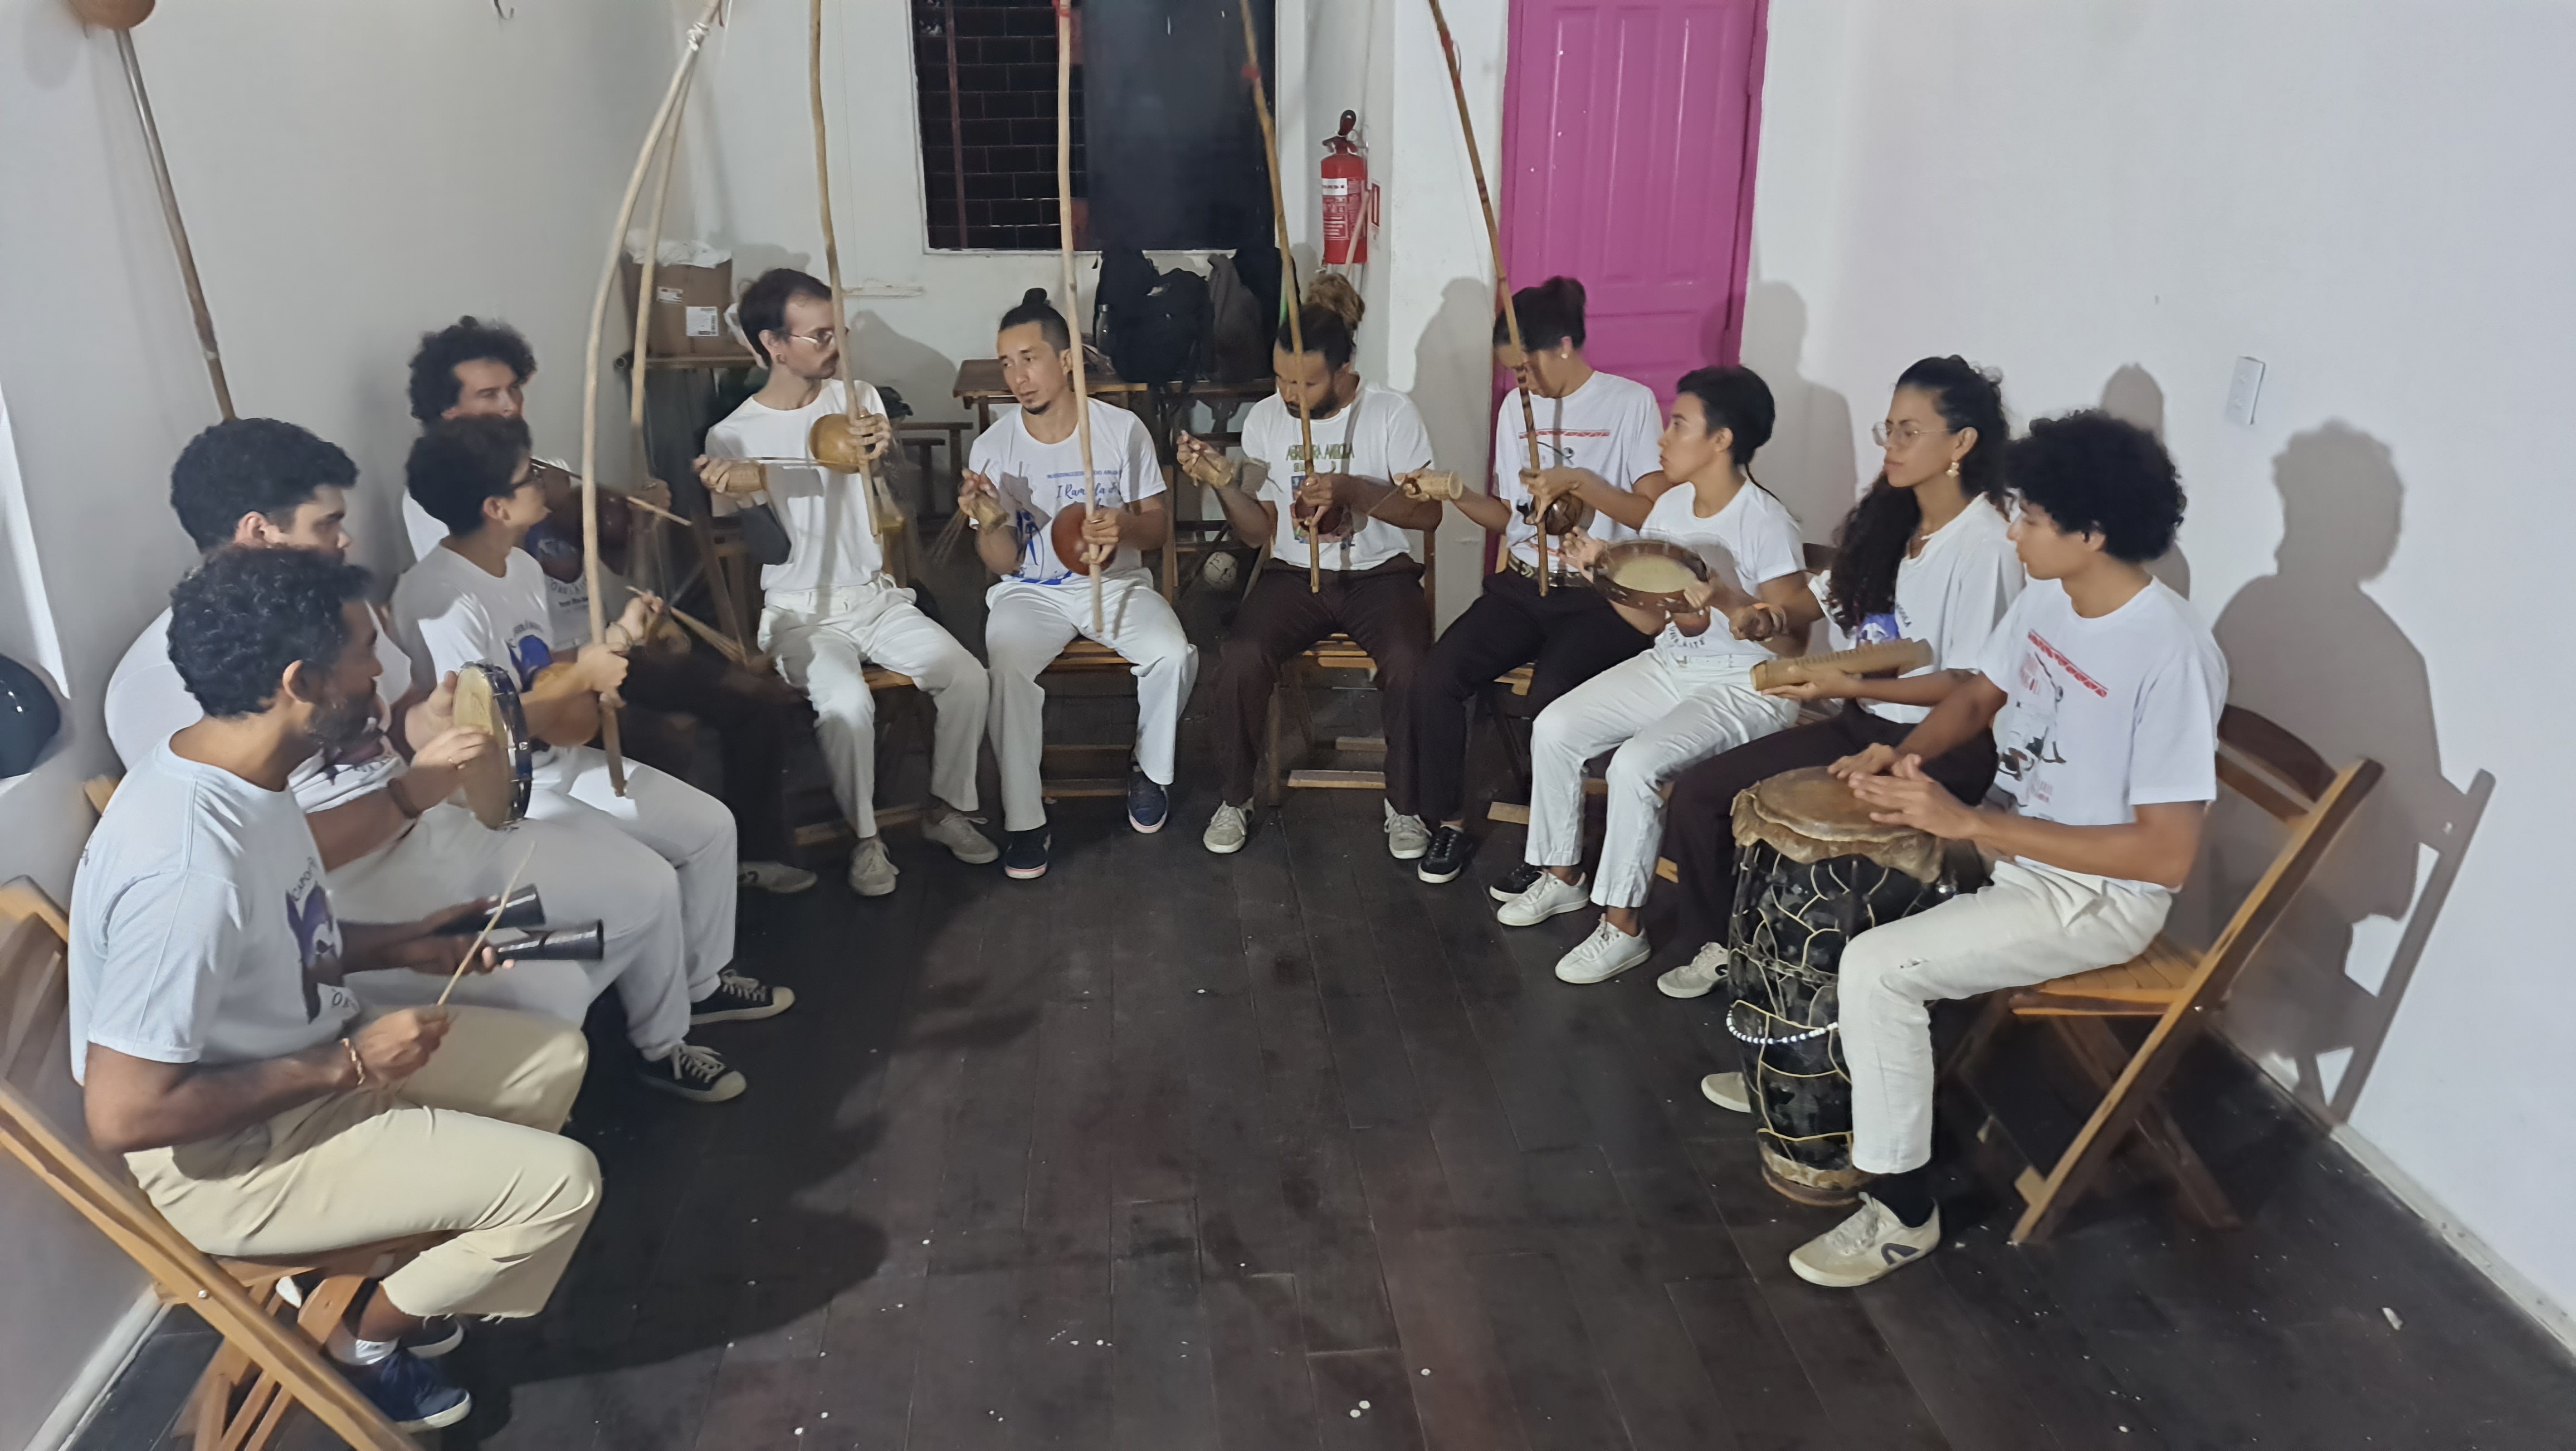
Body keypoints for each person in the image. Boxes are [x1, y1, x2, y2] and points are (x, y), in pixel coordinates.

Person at [73, 546, 602, 1431]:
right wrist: (348, 1065)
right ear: (301, 681)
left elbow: (279, 935)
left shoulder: (241, 770)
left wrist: (405, 941)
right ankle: (361, 1340)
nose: (379, 673)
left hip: (307, 1069)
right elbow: (123, 1115)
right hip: (231, 1160)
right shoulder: (186, 870)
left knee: (552, 1060)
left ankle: (394, 1268)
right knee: (564, 1187)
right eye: (362, 653)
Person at [105, 419, 774, 1105]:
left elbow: (398, 717)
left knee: (646, 886)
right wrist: (409, 795)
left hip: (426, 824)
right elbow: (261, 862)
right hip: (341, 890)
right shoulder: (169, 676)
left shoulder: (338, 602)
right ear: (258, 531)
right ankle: (525, 1110)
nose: (346, 540)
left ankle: (658, 1048)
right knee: (554, 986)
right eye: (328, 523)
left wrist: (433, 720)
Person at [1785, 411, 2224, 1288]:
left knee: (1877, 967)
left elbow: (2165, 857)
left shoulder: (2171, 654)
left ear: (2092, 534)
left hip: (2093, 897)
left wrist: (1971, 825)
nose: (2014, 532)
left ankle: (1902, 1212)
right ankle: (1804, 1075)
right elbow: (1980, 697)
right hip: (2010, 844)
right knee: (1835, 873)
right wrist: (1903, 758)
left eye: (2032, 517)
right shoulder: (2050, 596)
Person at [392, 414, 777, 1104]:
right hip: (504, 790)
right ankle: (663, 1046)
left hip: (556, 758)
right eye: (529, 478)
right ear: (495, 507)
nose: (546, 485)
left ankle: (702, 985)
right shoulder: (441, 598)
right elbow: (483, 722)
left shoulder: (519, 563)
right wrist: (587, 677)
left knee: (710, 828)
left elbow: (541, 666)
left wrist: (615, 640)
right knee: (652, 881)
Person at [1653, 358, 2023, 1057]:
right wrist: (1754, 613)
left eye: (1909, 431)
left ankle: (1822, 1012)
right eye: (1889, 428)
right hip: (1860, 721)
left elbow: (1964, 687)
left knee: (1829, 857)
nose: (1892, 445)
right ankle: (1725, 947)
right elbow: (1815, 600)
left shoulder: (1984, 543)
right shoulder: (1890, 516)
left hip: (1939, 748)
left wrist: (1840, 684)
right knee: (1700, 795)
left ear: (1961, 443)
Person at [404, 317, 815, 894]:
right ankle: (660, 878)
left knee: (752, 696)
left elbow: (614, 560)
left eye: (514, 389)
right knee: (661, 737)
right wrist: (570, 511)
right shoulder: (445, 497)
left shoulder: (536, 471)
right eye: (489, 395)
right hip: (543, 685)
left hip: (586, 647)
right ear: (448, 412)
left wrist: (630, 515)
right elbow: (495, 651)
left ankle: (754, 855)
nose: (510, 405)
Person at [1493, 366, 1809, 986]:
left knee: (1634, 764)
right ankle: (1561, 875)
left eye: (1679, 425)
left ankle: (1622, 927)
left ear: (1721, 440)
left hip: (1747, 682)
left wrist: (1727, 600)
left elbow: (1793, 642)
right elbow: (1647, 622)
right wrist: (1599, 571)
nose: (1663, 438)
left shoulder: (1764, 520)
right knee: (1554, 727)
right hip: (1672, 664)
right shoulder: (1668, 505)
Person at [696, 269, 995, 897]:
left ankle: (945, 808)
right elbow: (770, 549)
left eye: (839, 332)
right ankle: (866, 837)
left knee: (967, 677)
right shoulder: (733, 435)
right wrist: (745, 492)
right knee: (848, 704)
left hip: (874, 596)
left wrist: (884, 455)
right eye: (820, 336)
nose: (837, 347)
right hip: (801, 611)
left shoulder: (858, 398)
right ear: (774, 344)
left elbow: (894, 500)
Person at [1402, 277, 1670, 887]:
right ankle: (1447, 819)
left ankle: (1552, 852)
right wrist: (1456, 492)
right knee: (1437, 675)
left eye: (1524, 369)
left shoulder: (1628, 404)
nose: (1518, 382)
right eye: (1511, 373)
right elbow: (1510, 518)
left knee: (1551, 697)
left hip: (1600, 596)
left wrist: (1582, 485)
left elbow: (1653, 513)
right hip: (1524, 585)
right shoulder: (1513, 412)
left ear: (1564, 346)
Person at [1180, 275, 1444, 856]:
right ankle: (1235, 798)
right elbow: (1260, 531)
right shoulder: (1266, 419)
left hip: (1379, 576)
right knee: (1241, 656)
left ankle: (1405, 806)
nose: (1289, 394)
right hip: (1294, 576)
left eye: (1305, 382)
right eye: (1280, 378)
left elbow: (1429, 516)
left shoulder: (1391, 413)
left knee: (1409, 663)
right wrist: (1223, 484)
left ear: (1345, 368)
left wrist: (1352, 488)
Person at [960, 288, 1197, 880]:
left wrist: (1123, 525)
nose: (1017, 377)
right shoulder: (993, 447)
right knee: (1006, 662)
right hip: (1032, 591)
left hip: (1113, 584)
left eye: (1030, 359)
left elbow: (1158, 528)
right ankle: (1025, 819)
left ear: (1066, 361)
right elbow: (1002, 563)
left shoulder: (1119, 429)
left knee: (1172, 654)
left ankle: (1150, 769)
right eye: (1007, 363)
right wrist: (989, 520)